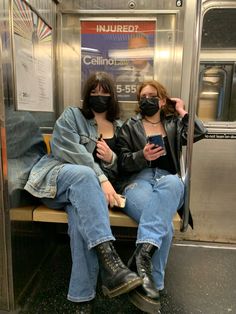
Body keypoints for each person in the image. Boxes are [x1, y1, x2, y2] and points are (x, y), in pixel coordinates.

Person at [24, 72, 142, 313]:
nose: (99, 96)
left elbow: (123, 167)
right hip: (57, 181)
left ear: (113, 96)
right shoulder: (72, 116)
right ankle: (111, 261)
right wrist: (100, 177)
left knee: (80, 222)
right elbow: (66, 150)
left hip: (88, 195)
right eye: (94, 92)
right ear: (87, 95)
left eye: (105, 92)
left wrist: (112, 159)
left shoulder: (121, 127)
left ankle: (82, 296)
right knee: (85, 174)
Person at [116, 80, 207, 313]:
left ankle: (141, 267)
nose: (147, 100)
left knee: (173, 182)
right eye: (143, 96)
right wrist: (142, 155)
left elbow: (199, 132)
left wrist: (182, 111)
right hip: (139, 180)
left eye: (152, 95)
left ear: (162, 100)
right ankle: (153, 285)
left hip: (168, 182)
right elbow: (122, 163)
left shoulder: (174, 123)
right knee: (162, 221)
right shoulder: (130, 126)